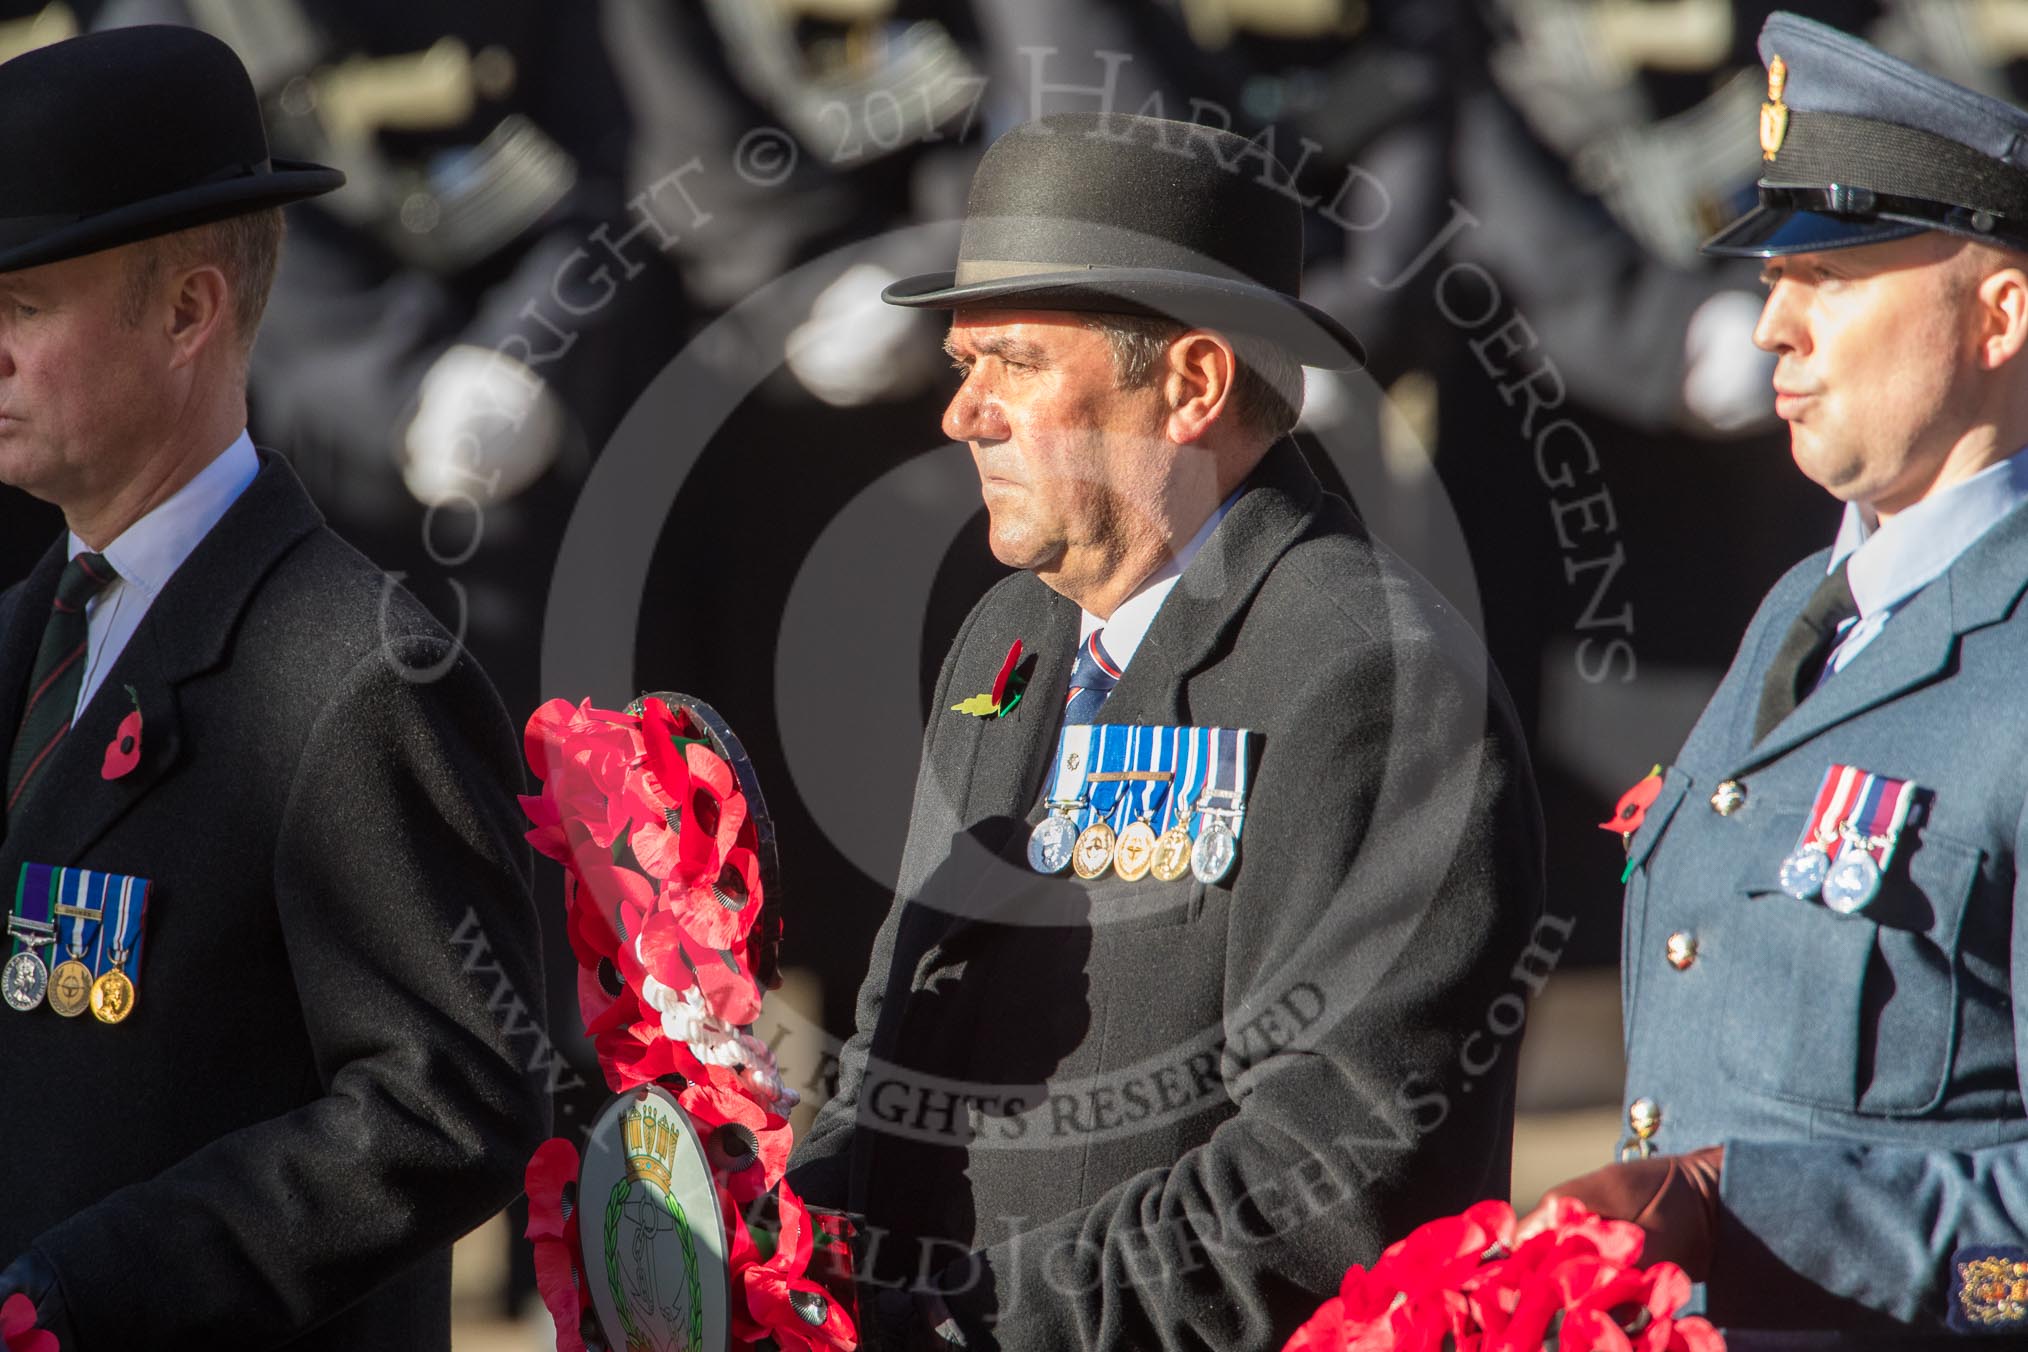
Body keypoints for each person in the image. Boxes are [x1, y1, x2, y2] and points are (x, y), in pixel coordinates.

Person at [786, 110, 1546, 1350]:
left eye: (1016, 364)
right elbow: (895, 1053)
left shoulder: (1369, 677)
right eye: (959, 363)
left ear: (1192, 383)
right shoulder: (1009, 637)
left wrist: (963, 1322)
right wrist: (777, 1263)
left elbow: (1332, 1183)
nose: (962, 415)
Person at [0, 26, 549, 1349]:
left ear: (188, 312)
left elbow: (447, 1102)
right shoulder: (27, 631)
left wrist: (89, 1289)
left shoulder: (351, 671)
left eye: (20, 312)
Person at [1524, 10, 2028, 1340]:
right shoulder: (1800, 618)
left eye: (1837, 279)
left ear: (2002, 312)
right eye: (1768, 285)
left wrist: (1744, 1214)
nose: (1774, 334)